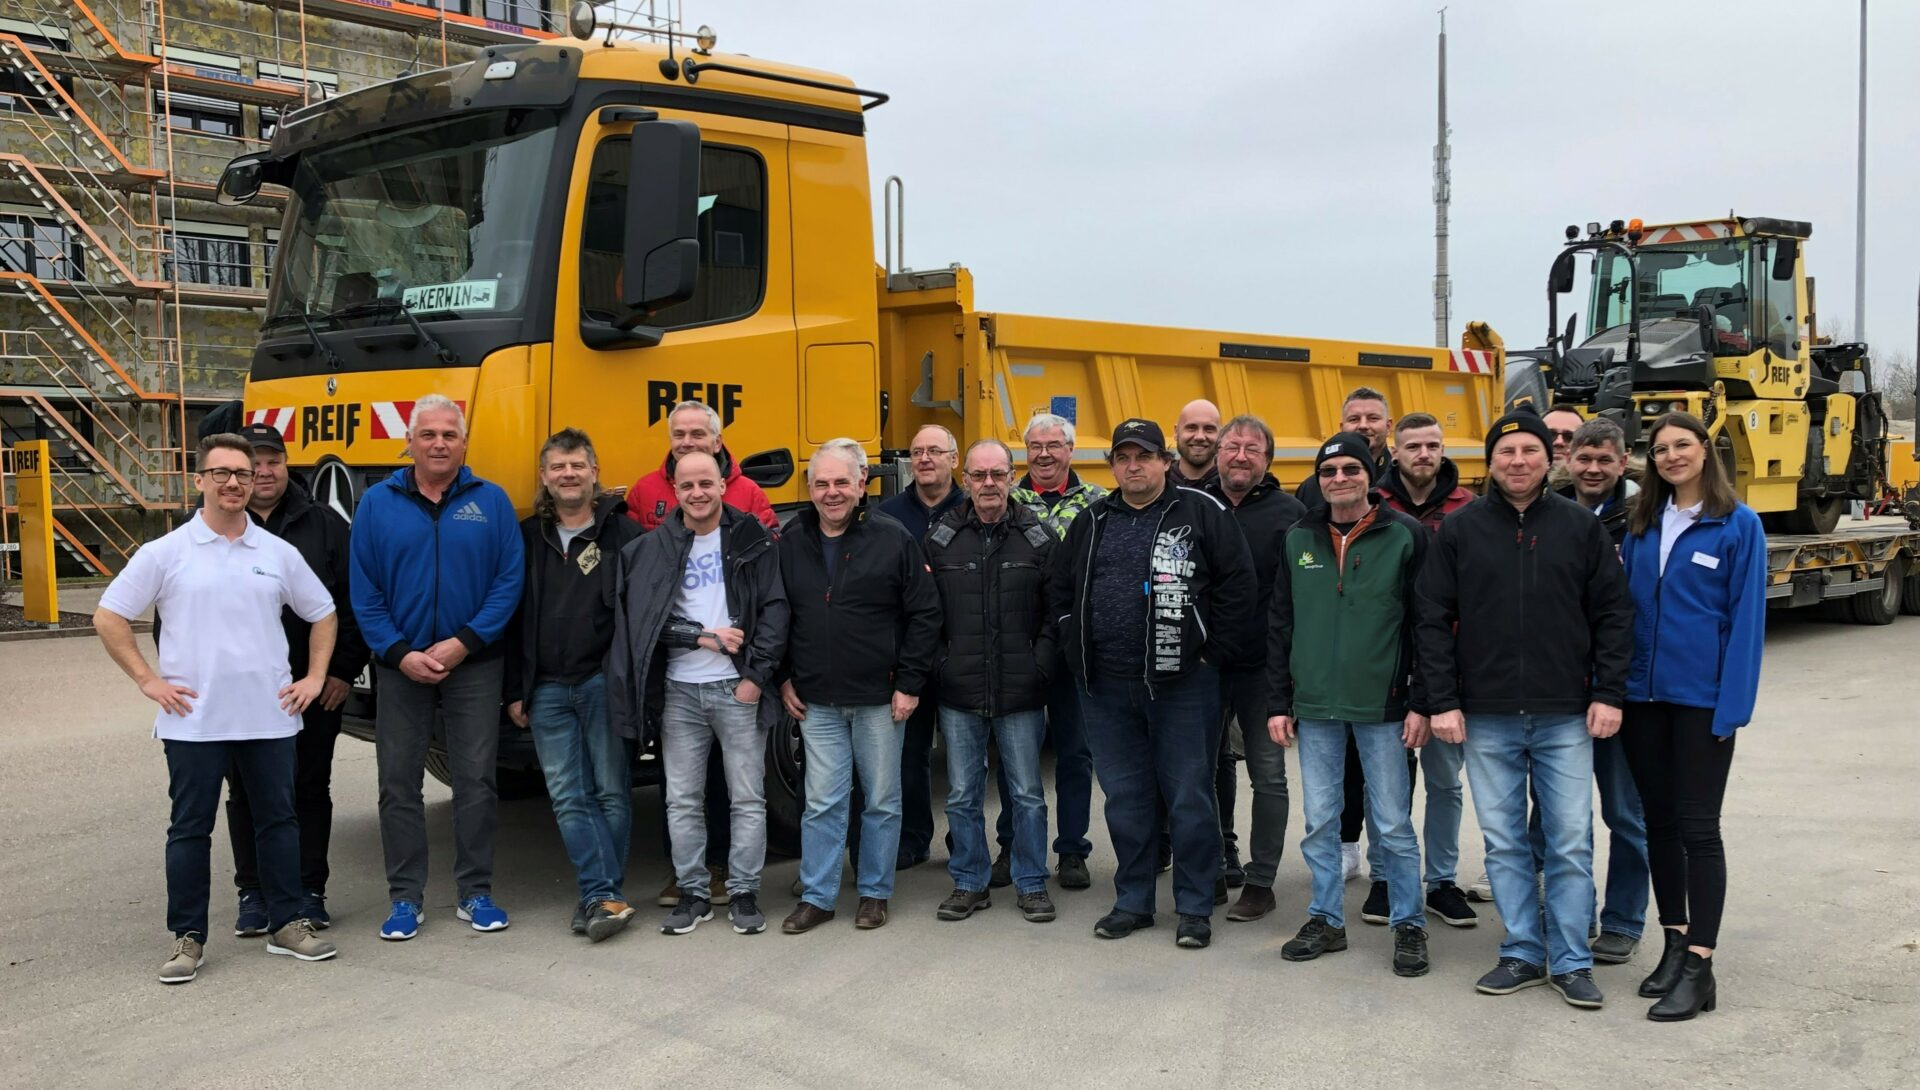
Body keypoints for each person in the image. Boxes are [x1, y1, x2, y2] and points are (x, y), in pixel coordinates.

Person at [94, 433, 341, 982]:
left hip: (270, 716)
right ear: (200, 481)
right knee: (189, 829)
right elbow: (109, 616)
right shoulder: (166, 552)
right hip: (193, 721)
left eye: (244, 474)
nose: (234, 483)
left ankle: (286, 923)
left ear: (255, 483)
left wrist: (316, 676)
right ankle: (188, 937)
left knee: (278, 821)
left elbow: (323, 613)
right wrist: (148, 681)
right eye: (222, 473)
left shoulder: (278, 553)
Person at [1415, 408, 1633, 1010]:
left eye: (1530, 452)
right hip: (1484, 716)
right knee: (1506, 840)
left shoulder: (1580, 528)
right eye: (1507, 453)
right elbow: (1430, 619)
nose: (1518, 462)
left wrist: (1608, 693)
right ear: (1490, 462)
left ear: (1550, 459)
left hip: (1567, 714)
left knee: (1568, 840)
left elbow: (1614, 616)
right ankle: (1521, 952)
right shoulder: (1458, 531)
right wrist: (1443, 702)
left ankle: (1570, 960)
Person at [1049, 418, 1257, 950]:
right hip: (1106, 686)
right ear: (1113, 465)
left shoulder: (1201, 513)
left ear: (1165, 461)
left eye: (1144, 456)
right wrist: (1074, 642)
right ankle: (1134, 900)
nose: (1133, 466)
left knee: (1189, 795)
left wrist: (1211, 654)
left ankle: (1193, 906)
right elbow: (1060, 588)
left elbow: (1238, 586)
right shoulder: (1093, 519)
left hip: (1185, 685)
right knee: (1125, 798)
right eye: (1123, 457)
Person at [350, 394, 525, 940]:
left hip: (473, 664)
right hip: (401, 667)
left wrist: (463, 643)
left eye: (449, 434)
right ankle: (405, 898)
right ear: (410, 441)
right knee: (397, 783)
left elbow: (508, 581)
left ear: (464, 442)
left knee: (475, 780)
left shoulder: (491, 502)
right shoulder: (377, 503)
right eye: (428, 435)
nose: (439, 443)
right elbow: (365, 588)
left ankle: (476, 891)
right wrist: (400, 652)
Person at [1267, 432, 1432, 976]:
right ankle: (1326, 919)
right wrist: (1278, 700)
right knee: (1320, 821)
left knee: (1393, 824)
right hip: (1314, 707)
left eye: (1351, 469)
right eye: (1329, 470)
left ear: (1370, 474)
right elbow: (1280, 625)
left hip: (1383, 706)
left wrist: (1422, 701)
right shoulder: (1298, 539)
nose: (1340, 478)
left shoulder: (1404, 535)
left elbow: (1425, 625)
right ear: (1318, 479)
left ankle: (1408, 925)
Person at [1619, 412, 1766, 1022]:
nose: (1672, 456)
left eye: (1683, 445)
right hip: (1641, 699)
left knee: (1699, 827)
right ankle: (1675, 940)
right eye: (1660, 449)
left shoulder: (1738, 525)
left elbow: (1747, 622)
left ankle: (1701, 963)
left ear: (1706, 451)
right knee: (1658, 823)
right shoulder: (1642, 523)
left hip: (1701, 700)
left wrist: (1732, 708)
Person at [610, 451, 789, 938]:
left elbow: (775, 610)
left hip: (738, 687)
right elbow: (644, 621)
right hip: (680, 691)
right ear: (675, 491)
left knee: (747, 798)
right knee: (682, 799)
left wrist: (757, 676)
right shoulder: (656, 546)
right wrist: (698, 637)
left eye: (706, 483)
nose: (697, 493)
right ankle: (693, 893)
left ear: (722, 485)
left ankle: (744, 891)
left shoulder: (752, 537)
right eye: (686, 486)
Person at [778, 438, 942, 934]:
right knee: (822, 801)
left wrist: (910, 682)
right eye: (822, 483)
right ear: (809, 488)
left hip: (879, 697)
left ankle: (874, 892)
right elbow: (778, 613)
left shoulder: (892, 538)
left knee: (881, 800)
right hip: (818, 700)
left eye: (841, 482)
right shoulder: (791, 541)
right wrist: (784, 675)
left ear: (861, 485)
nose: (832, 493)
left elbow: (925, 614)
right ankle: (819, 896)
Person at [221, 424, 367, 935]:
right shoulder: (210, 526)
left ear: (286, 465)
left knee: (308, 787)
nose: (262, 472)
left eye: (272, 461)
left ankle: (309, 891)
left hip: (313, 687)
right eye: (251, 463)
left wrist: (342, 670)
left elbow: (353, 602)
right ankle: (254, 894)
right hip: (240, 692)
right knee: (245, 792)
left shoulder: (325, 524)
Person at [504, 429, 643, 942]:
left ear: (594, 471)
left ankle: (600, 895)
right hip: (544, 688)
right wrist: (515, 688)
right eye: (558, 467)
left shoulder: (625, 535)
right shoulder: (524, 537)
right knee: (567, 795)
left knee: (611, 791)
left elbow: (643, 615)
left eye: (577, 466)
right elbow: (512, 617)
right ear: (544, 476)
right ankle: (604, 895)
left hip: (604, 682)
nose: (568, 474)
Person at [925, 440, 1059, 924]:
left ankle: (1030, 882)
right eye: (979, 475)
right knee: (962, 794)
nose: (988, 484)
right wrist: (942, 664)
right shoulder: (940, 539)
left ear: (1011, 477)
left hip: (1021, 689)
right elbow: (926, 614)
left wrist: (1039, 665)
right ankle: (969, 881)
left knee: (1026, 793)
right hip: (959, 690)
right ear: (966, 481)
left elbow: (1055, 612)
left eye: (997, 475)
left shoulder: (1039, 537)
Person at [1373, 412, 1477, 930]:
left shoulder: (1469, 508)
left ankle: (1441, 881)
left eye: (1432, 444)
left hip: (1446, 668)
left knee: (1445, 781)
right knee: (1385, 782)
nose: (1423, 453)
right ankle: (1384, 877)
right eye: (1412, 445)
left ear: (1443, 449)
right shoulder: (1374, 502)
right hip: (1385, 664)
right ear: (1395, 452)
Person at [1552, 415, 1649, 965]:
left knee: (1625, 814)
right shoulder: (1553, 512)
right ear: (1569, 461)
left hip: (1617, 690)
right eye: (1583, 458)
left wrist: (1614, 687)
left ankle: (1623, 919)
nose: (1591, 468)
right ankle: (1570, 912)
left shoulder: (1645, 516)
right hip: (1559, 689)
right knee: (1558, 817)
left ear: (1623, 459)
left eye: (1603, 459)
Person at [1204, 415, 1306, 923]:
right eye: (1232, 446)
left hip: (1266, 669)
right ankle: (1220, 860)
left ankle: (1261, 882)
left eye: (1252, 448)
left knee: (1268, 776)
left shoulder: (1292, 514)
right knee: (1204, 768)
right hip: (1203, 665)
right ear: (1218, 452)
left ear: (1268, 459)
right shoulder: (1195, 505)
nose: (1240, 456)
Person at [1007, 413, 1104, 890]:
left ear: (1071, 449)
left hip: (1074, 647)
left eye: (1054, 445)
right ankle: (1012, 844)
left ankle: (1072, 851)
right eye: (1035, 445)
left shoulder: (1097, 504)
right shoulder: (1006, 499)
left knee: (1074, 753)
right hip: (1017, 645)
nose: (1044, 454)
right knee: (1014, 754)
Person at [876, 424, 966, 870]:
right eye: (917, 452)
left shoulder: (974, 508)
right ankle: (912, 839)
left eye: (935, 451)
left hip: (962, 651)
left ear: (955, 459)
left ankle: (963, 841)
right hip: (909, 653)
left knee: (966, 753)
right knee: (909, 753)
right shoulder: (887, 515)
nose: (925, 458)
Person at [624, 399, 779, 532]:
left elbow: (769, 551)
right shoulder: (643, 490)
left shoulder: (750, 494)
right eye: (679, 435)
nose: (686, 442)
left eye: (697, 434)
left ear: (717, 442)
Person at [1294, 386, 1392, 510]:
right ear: (1342, 427)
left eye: (1373, 418)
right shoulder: (1311, 488)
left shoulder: (1403, 480)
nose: (1363, 425)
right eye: (1354, 419)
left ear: (1388, 427)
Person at [1172, 399, 1222, 486]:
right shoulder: (1158, 484)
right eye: (1191, 428)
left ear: (1221, 435)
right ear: (1176, 432)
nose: (1200, 437)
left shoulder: (1234, 485)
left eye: (1209, 429)